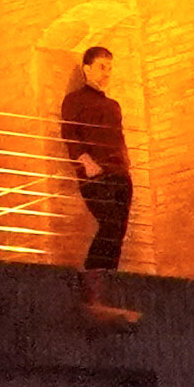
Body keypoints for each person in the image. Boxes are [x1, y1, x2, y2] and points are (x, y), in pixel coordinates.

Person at [62, 44, 138, 328]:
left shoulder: (112, 105)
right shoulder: (75, 101)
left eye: (110, 67)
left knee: (117, 230)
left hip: (120, 174)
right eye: (102, 66)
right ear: (87, 69)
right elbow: (69, 134)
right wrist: (85, 161)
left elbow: (119, 139)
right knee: (109, 226)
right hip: (96, 174)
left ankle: (106, 282)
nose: (107, 72)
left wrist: (126, 165)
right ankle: (92, 284)